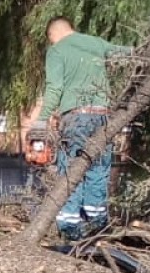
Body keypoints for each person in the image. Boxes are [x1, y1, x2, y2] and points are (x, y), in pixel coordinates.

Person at [28, 16, 127, 241]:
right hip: (103, 117)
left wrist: (42, 120)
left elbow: (54, 88)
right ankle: (97, 224)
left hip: (75, 118)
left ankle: (70, 230)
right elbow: (125, 53)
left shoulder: (56, 51)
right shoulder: (95, 43)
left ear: (53, 35)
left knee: (71, 172)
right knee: (98, 169)